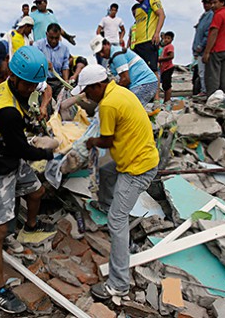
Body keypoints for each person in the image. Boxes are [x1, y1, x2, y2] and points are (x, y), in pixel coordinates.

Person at [0, 46, 56, 314]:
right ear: (15, 77)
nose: (32, 89)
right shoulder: (5, 108)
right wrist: (50, 152)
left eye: (34, 85)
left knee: (36, 191)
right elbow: (22, 149)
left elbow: (20, 126)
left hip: (8, 159)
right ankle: (0, 288)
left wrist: (33, 125)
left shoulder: (12, 89)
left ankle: (30, 226)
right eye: (29, 85)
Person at [71, 64, 159, 301]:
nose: (87, 96)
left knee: (117, 220)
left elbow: (106, 142)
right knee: (105, 170)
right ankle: (108, 204)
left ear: (98, 86)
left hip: (138, 169)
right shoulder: (120, 91)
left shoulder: (109, 104)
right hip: (138, 157)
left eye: (88, 91)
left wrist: (87, 144)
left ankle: (118, 285)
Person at [90, 35, 158, 107]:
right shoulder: (113, 56)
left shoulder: (117, 55)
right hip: (140, 84)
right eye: (98, 53)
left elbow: (125, 80)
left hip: (145, 83)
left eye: (102, 50)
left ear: (107, 44)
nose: (101, 54)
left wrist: (111, 93)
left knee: (128, 108)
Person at [129, 0, 166, 75]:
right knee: (139, 71)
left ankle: (156, 90)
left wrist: (157, 33)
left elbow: (161, 15)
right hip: (137, 44)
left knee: (152, 71)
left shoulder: (152, 0)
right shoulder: (137, 8)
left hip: (148, 41)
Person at [202, 0, 225, 97]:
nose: (213, 6)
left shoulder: (218, 15)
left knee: (213, 76)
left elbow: (213, 33)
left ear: (222, 2)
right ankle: (223, 97)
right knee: (223, 76)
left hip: (218, 50)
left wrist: (207, 52)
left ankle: (213, 98)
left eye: (215, 3)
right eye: (212, 3)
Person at [34, 23, 70, 97]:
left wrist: (66, 81)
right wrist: (44, 63)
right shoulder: (37, 45)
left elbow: (65, 67)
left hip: (58, 83)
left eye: (56, 38)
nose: (53, 41)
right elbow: (34, 61)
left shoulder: (65, 49)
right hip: (42, 82)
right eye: (51, 37)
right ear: (46, 34)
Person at [192, 0, 214, 95]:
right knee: (201, 72)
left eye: (207, 3)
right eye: (204, 3)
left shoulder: (211, 15)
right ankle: (204, 90)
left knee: (204, 72)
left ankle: (205, 91)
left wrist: (200, 46)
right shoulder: (204, 16)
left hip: (204, 50)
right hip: (199, 50)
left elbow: (208, 34)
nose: (205, 5)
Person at [159, 31, 175, 102]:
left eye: (168, 38)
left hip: (168, 68)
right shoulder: (165, 47)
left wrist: (160, 59)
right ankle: (166, 100)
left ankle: (167, 101)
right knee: (165, 85)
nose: (166, 40)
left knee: (167, 85)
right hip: (164, 69)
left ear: (171, 40)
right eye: (165, 38)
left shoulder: (170, 46)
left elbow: (171, 56)